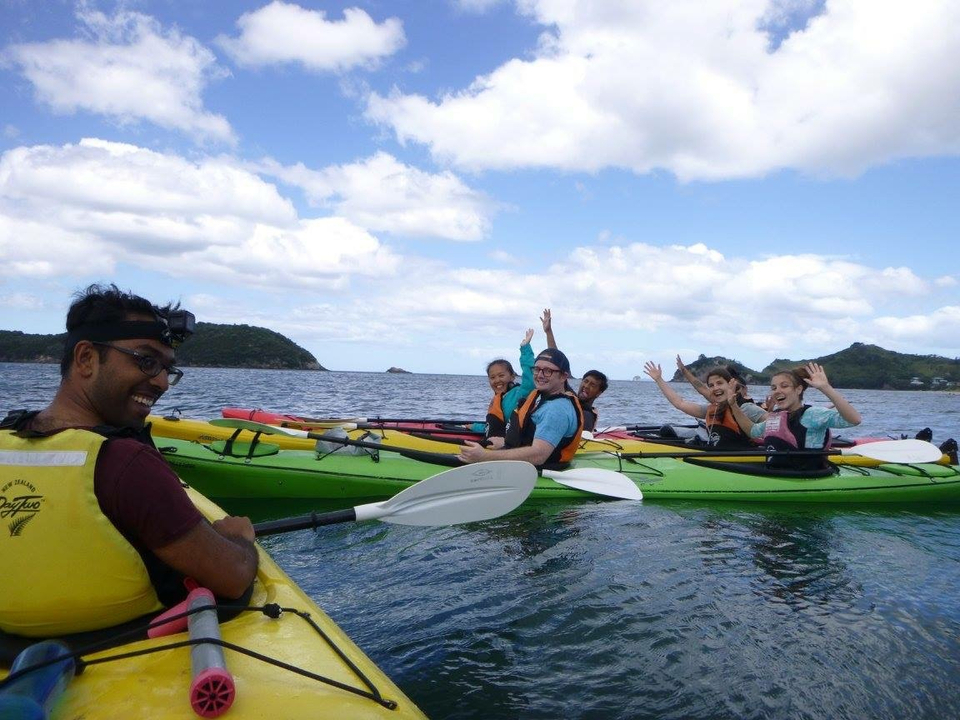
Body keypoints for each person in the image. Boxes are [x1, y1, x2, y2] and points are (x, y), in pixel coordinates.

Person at [0, 284, 258, 641]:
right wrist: (241, 540)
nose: (162, 383)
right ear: (86, 358)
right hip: (122, 656)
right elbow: (234, 576)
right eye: (146, 361)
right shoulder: (126, 464)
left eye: (169, 369)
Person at [458, 347, 584, 469]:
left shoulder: (556, 410)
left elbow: (538, 455)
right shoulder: (541, 396)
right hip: (521, 462)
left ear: (563, 376)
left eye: (547, 371)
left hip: (536, 472)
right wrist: (505, 443)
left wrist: (485, 456)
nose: (540, 375)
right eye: (537, 369)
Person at [725, 362, 862, 469]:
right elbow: (753, 432)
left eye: (784, 386)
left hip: (806, 475)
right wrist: (733, 405)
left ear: (798, 389)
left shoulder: (813, 414)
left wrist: (825, 388)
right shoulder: (776, 417)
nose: (777, 391)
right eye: (773, 388)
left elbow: (854, 420)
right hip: (776, 471)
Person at [643, 361, 765, 448]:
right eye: (711, 385)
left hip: (739, 463)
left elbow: (775, 422)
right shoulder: (711, 410)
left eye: (719, 383)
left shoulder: (747, 408)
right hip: (715, 459)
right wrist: (659, 379)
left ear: (730, 384)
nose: (715, 388)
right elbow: (679, 403)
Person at [541, 308, 608, 432]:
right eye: (586, 381)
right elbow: (556, 361)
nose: (586, 386)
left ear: (599, 393)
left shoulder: (588, 415)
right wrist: (548, 332)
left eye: (592, 385)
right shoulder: (571, 396)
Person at [482, 328, 536, 440]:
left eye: (501, 376)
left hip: (516, 443)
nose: (497, 380)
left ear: (512, 376)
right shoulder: (497, 399)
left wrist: (525, 348)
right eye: (492, 377)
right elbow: (493, 426)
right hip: (499, 440)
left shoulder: (520, 393)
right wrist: (473, 427)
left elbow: (530, 380)